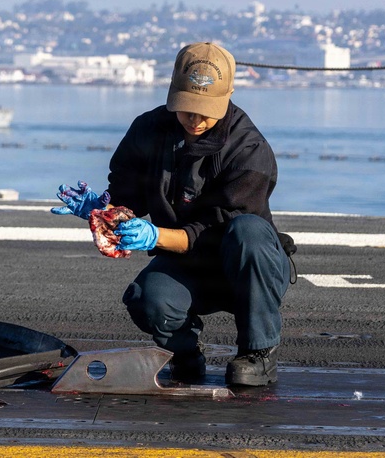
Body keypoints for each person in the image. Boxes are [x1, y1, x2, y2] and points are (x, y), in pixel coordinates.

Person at [52, 42, 295, 387]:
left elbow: (221, 227)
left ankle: (259, 352)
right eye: (186, 108)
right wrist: (102, 210)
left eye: (205, 111)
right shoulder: (148, 130)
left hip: (248, 267)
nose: (195, 120)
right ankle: (184, 353)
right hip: (188, 266)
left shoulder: (249, 149)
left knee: (249, 233)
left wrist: (155, 236)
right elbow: (127, 197)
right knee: (147, 297)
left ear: (228, 96)